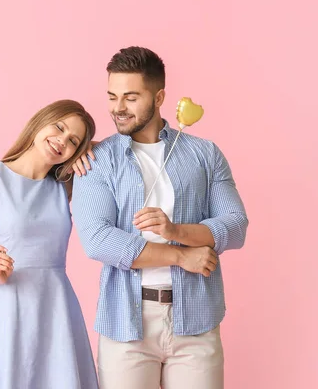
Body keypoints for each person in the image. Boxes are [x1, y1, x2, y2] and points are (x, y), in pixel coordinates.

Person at [71, 46, 249, 389]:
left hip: (196, 320)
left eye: (131, 97)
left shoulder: (204, 154)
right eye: (112, 96)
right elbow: (97, 240)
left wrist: (175, 229)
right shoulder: (98, 158)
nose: (118, 108)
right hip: (126, 322)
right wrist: (184, 255)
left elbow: (236, 225)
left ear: (159, 96)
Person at [0, 99, 99, 389]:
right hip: (7, 307)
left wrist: (92, 147)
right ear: (40, 121)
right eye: (59, 127)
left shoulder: (66, 185)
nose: (61, 141)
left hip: (56, 309)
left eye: (73, 141)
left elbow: (114, 151)